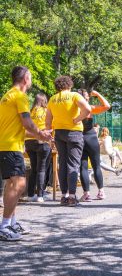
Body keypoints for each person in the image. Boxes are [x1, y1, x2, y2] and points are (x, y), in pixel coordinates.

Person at [0, 66, 52, 241]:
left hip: (6, 144)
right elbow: (28, 123)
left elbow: (21, 128)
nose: (30, 81)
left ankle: (12, 223)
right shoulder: (20, 96)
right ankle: (5, 226)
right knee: (19, 184)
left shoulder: (7, 95)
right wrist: (41, 134)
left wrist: (40, 136)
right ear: (25, 79)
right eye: (30, 77)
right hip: (11, 147)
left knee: (11, 185)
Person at [46, 76, 91, 207]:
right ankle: (72, 196)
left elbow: (48, 121)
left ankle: (64, 196)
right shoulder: (74, 96)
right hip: (74, 132)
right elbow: (87, 109)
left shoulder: (52, 99)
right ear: (69, 85)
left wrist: (49, 137)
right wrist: (77, 120)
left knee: (63, 163)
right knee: (73, 164)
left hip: (59, 133)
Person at [77, 89, 111, 202]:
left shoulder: (74, 110)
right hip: (92, 138)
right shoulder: (90, 108)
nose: (88, 98)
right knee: (96, 166)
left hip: (80, 138)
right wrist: (97, 94)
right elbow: (107, 106)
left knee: (83, 167)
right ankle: (101, 192)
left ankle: (86, 194)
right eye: (87, 96)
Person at [25, 93, 51, 202]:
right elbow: (50, 125)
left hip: (29, 141)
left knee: (33, 169)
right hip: (42, 141)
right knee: (41, 169)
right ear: (44, 100)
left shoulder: (29, 112)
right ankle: (40, 195)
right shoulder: (46, 111)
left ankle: (30, 195)